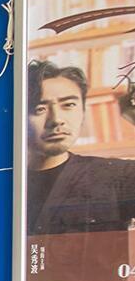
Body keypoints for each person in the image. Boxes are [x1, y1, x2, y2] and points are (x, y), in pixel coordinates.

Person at [27, 59, 135, 235]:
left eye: (68, 105)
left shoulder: (118, 176)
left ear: (83, 112)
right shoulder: (0, 182)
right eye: (40, 109)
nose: (56, 120)